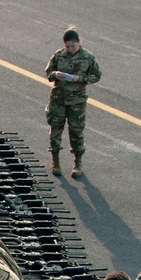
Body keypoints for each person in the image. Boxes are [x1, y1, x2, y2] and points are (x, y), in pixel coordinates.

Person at [45, 26, 102, 179]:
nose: (70, 49)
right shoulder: (58, 55)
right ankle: (55, 161)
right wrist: (56, 74)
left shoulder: (88, 57)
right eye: (67, 46)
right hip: (58, 99)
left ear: (79, 42)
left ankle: (78, 162)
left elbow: (97, 75)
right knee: (55, 130)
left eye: (73, 46)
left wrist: (80, 79)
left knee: (76, 132)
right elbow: (48, 73)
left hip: (77, 101)